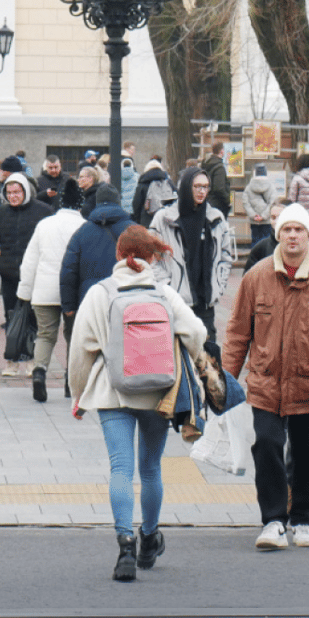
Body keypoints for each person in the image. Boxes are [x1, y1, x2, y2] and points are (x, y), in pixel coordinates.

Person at [69, 226, 209, 581]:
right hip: (158, 393)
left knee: (121, 468)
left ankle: (125, 545)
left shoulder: (100, 293)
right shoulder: (163, 292)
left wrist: (78, 394)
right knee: (150, 469)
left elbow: (79, 350)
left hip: (112, 391)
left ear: (119, 254)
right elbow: (196, 332)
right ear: (150, 258)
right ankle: (150, 537)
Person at [224, 203, 309, 550]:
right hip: (265, 383)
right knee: (267, 445)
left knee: (304, 453)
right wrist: (224, 381)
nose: (293, 235)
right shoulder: (256, 277)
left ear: (308, 235)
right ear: (278, 235)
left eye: (299, 229)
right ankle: (272, 521)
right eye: (287, 230)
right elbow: (239, 332)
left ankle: (301, 519)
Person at [60, 184, 135, 393]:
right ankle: (119, 384)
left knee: (87, 343)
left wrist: (68, 306)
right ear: (118, 201)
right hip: (125, 300)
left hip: (89, 301)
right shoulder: (133, 231)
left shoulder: (82, 232)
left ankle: (75, 385)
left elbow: (68, 271)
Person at [148, 170, 235, 343]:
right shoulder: (164, 218)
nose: (202, 191)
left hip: (205, 302)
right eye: (197, 187)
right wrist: (167, 286)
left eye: (205, 187)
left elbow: (226, 255)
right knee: (179, 358)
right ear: (187, 187)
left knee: (208, 359)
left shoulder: (215, 218)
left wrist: (219, 283)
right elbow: (151, 257)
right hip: (177, 302)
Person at [0, 173, 52, 376]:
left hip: (35, 275)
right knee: (11, 317)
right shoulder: (0, 213)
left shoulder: (44, 211)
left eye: (17, 192)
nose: (13, 196)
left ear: (25, 191)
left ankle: (31, 360)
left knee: (33, 317)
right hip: (9, 274)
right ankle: (12, 360)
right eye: (9, 192)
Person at [17, 204, 84, 402]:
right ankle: (69, 382)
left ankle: (39, 371)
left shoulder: (44, 224)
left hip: (43, 289)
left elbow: (30, 261)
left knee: (45, 334)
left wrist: (24, 293)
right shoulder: (83, 225)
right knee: (73, 336)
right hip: (72, 291)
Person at [243, 200, 288, 274]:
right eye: (273, 218)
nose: (276, 221)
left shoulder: (298, 245)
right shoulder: (261, 247)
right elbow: (247, 278)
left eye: (280, 217)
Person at [131, 158, 174, 227]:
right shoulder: (168, 182)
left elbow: (136, 204)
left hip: (147, 221)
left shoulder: (142, 184)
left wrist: (138, 219)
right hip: (165, 221)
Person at [242, 164, 276, 248]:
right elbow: (273, 203)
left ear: (255, 173)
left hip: (255, 221)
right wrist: (264, 216)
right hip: (267, 221)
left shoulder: (249, 187)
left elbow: (245, 203)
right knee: (267, 243)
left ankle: (255, 260)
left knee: (255, 242)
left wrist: (254, 215)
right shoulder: (271, 187)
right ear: (265, 173)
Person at [201, 141, 231, 215]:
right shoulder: (219, 168)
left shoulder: (206, 164)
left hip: (207, 201)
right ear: (221, 151)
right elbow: (219, 188)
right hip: (218, 204)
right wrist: (227, 201)